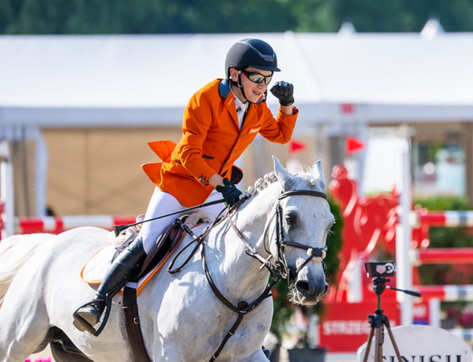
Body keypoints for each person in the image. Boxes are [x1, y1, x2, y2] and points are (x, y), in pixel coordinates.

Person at [73, 38, 298, 333]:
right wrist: (221, 185)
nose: (262, 85)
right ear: (234, 74)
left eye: (267, 78)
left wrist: (287, 104)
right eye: (256, 77)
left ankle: (236, 323)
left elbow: (281, 135)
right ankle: (98, 302)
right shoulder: (205, 100)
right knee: (151, 237)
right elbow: (188, 154)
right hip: (181, 184)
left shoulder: (256, 109)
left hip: (218, 189)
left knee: (235, 241)